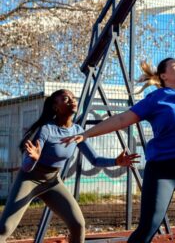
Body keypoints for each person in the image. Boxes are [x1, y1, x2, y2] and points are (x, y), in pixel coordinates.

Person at [62, 18, 175, 243]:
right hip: (162, 171)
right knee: (148, 227)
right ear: (163, 76)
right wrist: (88, 133)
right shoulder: (155, 99)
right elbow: (121, 119)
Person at [0, 89, 139, 243]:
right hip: (29, 180)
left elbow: (95, 160)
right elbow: (26, 168)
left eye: (73, 98)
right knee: (4, 229)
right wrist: (34, 159)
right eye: (65, 99)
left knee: (78, 225)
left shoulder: (77, 131)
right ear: (55, 106)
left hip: (52, 182)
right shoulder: (46, 129)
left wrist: (116, 161)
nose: (72, 100)